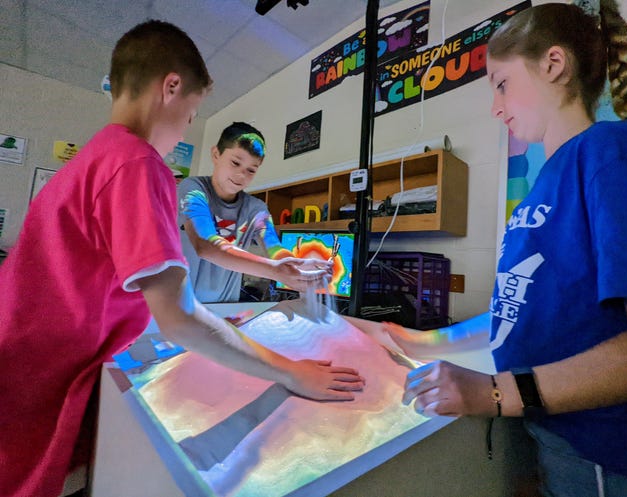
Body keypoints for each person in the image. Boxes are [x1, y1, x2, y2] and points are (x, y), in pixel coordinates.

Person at [0, 20, 363, 497]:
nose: (186, 128)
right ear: (171, 88)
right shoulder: (149, 169)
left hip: (24, 360)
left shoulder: (99, 157)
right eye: (192, 113)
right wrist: (291, 369)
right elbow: (185, 301)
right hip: (43, 378)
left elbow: (269, 241)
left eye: (251, 171)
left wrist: (284, 263)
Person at [380, 2, 627, 496]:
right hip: (553, 439)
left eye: (501, 83)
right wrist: (414, 341)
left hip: (611, 456)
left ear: (554, 64)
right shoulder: (537, 190)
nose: (495, 106)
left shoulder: (614, 151)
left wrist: (494, 392)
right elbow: (512, 314)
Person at [178, 122, 329, 303]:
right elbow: (205, 245)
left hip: (225, 310)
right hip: (176, 311)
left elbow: (274, 247)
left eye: (251, 170)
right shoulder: (193, 189)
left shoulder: (256, 208)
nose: (241, 175)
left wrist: (296, 267)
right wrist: (274, 270)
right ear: (216, 154)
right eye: (235, 163)